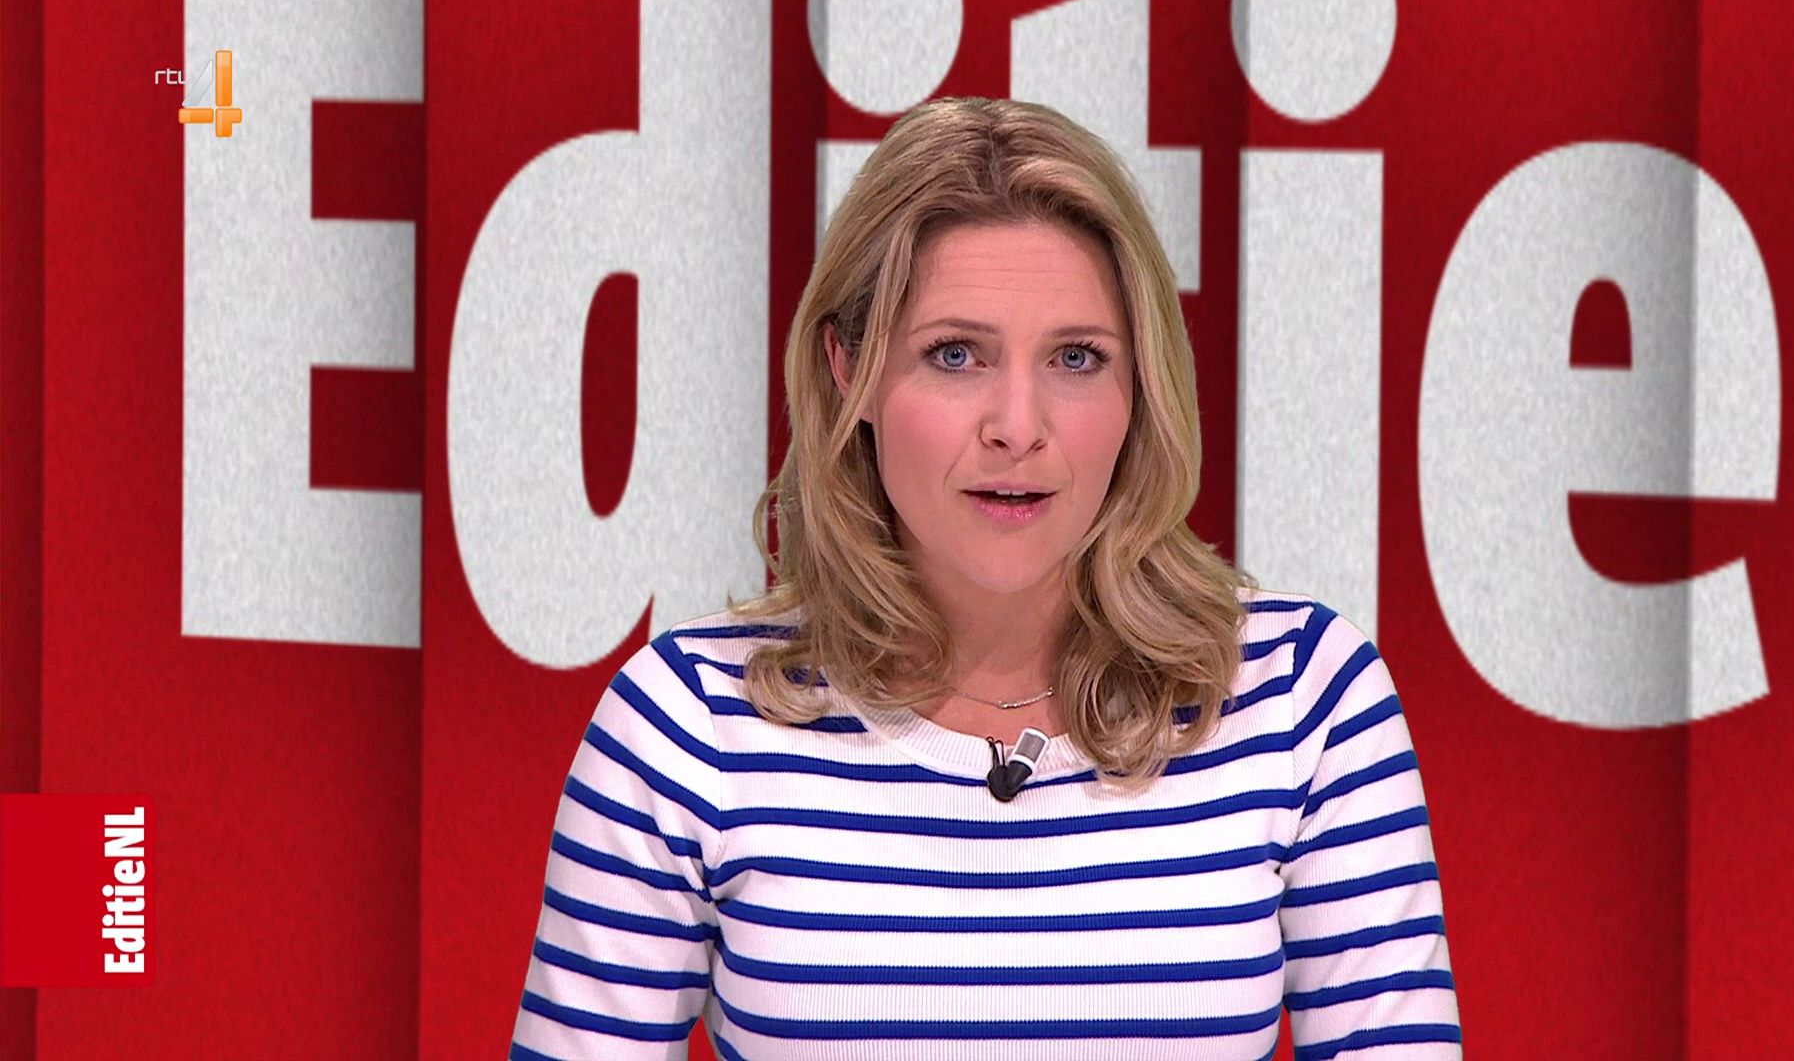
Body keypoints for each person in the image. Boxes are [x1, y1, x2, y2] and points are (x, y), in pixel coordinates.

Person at [509, 96, 1461, 1060]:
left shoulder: (1304, 699)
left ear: (1142, 388)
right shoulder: (687, 725)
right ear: (849, 370)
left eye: (1077, 358)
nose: (1017, 426)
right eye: (955, 355)